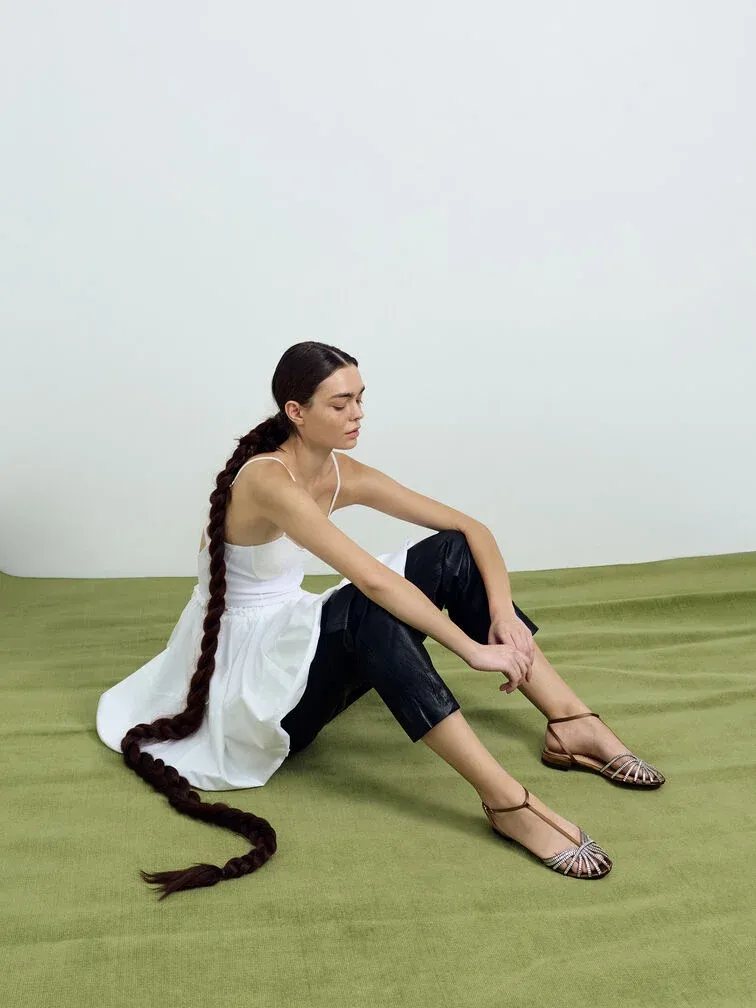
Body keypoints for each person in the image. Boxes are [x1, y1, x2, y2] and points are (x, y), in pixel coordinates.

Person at [97, 341, 665, 898]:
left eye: (360, 398)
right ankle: (506, 801)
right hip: (249, 687)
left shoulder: (341, 472)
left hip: (288, 636)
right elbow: (372, 580)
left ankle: (569, 721)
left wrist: (502, 616)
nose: (358, 414)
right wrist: (472, 649)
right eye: (340, 403)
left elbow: (471, 530)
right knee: (371, 608)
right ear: (296, 412)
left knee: (450, 552)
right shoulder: (267, 480)